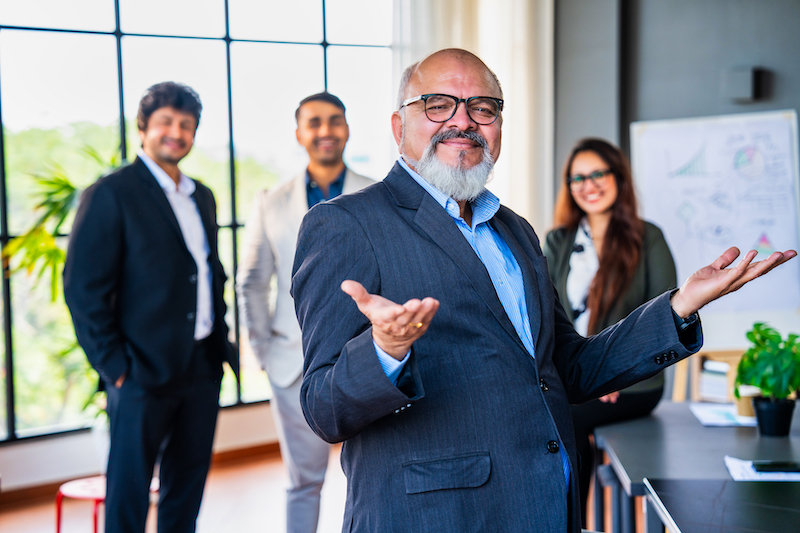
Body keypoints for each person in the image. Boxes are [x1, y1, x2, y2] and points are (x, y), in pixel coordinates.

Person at [290, 48, 795, 533]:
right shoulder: (344, 224)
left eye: (482, 108)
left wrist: (683, 304)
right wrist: (385, 352)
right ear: (400, 126)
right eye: (438, 104)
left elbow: (567, 369)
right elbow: (322, 407)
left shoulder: (515, 231)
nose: (462, 121)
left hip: (544, 506)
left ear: (500, 127)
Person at [64, 82, 236, 533]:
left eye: (186, 125)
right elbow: (83, 289)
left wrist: (222, 347)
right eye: (165, 122)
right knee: (129, 489)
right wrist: (115, 367)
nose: (175, 133)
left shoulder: (201, 195)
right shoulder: (111, 193)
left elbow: (207, 273)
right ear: (143, 128)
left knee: (187, 486)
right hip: (139, 371)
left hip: (200, 366)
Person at [237, 92, 373, 533]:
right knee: (303, 482)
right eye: (314, 123)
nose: (326, 131)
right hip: (291, 364)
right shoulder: (270, 202)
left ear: (347, 128)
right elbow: (252, 282)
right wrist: (262, 351)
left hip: (367, 359)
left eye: (335, 121)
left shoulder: (377, 194)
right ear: (300, 134)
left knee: (374, 475)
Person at [543, 138, 677, 525]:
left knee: (564, 420)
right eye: (578, 177)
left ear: (618, 178)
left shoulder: (647, 237)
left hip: (634, 382)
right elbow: (546, 319)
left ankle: (569, 522)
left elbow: (664, 316)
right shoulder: (559, 241)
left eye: (598, 173)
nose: (589, 184)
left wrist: (616, 367)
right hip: (576, 377)